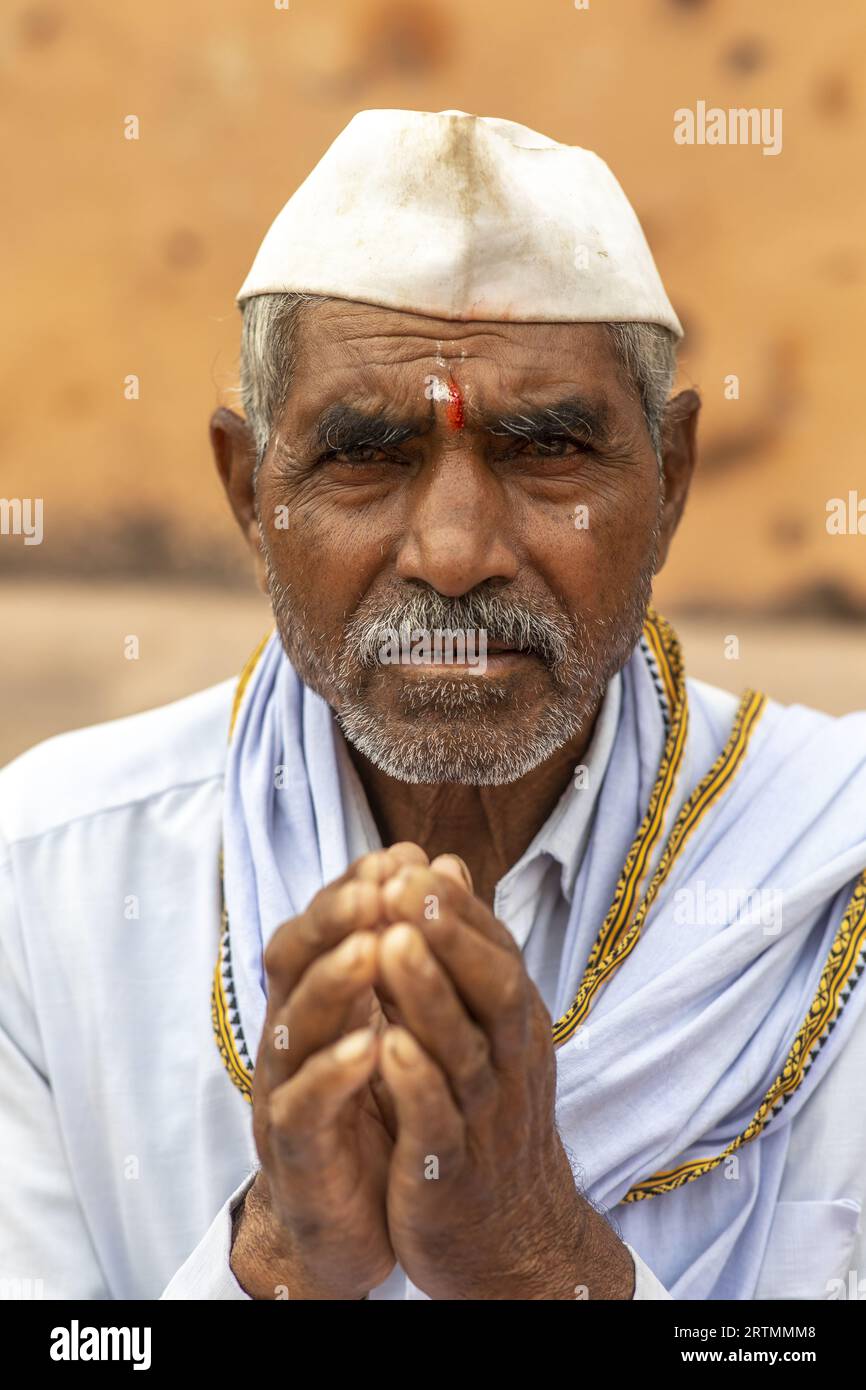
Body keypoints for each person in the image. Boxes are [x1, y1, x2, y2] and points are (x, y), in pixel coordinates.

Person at [2, 109, 865, 1302]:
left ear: (668, 480)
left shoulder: (836, 878)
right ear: (251, 493)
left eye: (544, 447)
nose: (454, 552)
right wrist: (277, 1263)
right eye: (366, 454)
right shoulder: (45, 881)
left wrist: (541, 1263)